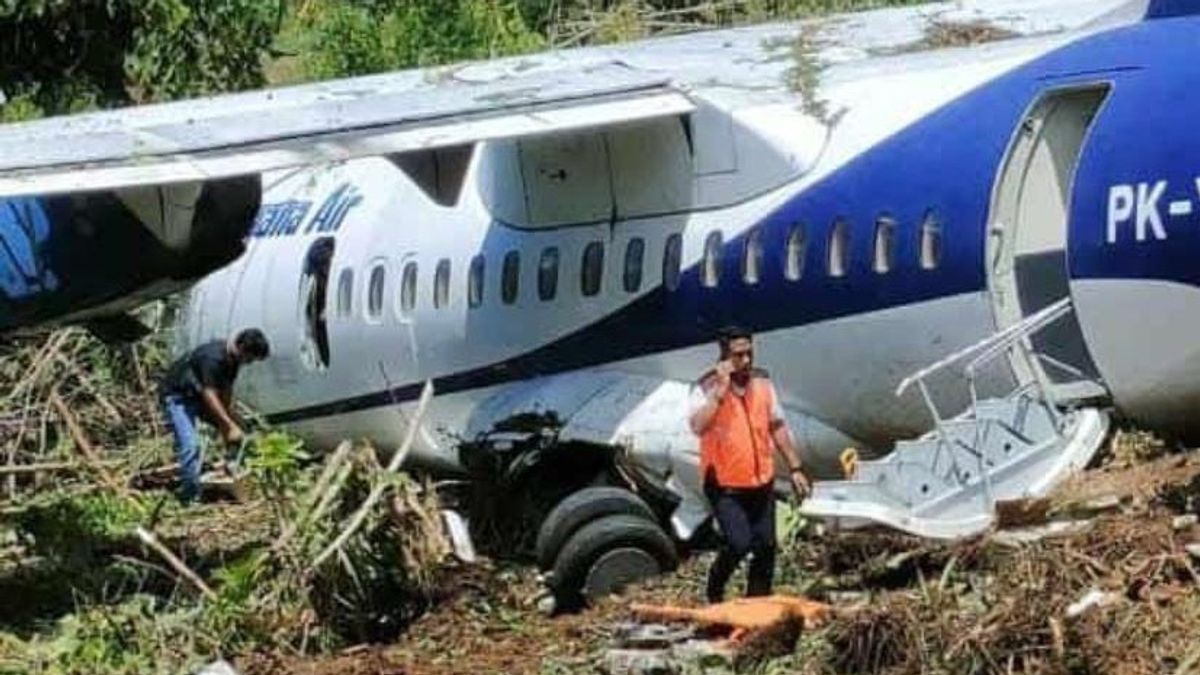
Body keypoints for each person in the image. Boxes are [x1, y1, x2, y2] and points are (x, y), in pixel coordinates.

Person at [689, 326, 810, 603]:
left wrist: (795, 467)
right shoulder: (705, 387)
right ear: (724, 356)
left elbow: (776, 425)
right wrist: (719, 393)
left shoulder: (763, 384)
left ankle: (758, 602)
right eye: (738, 355)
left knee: (767, 545)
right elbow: (698, 426)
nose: (745, 361)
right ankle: (715, 589)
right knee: (739, 543)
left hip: (760, 480)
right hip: (724, 484)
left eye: (749, 354)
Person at [159, 328, 271, 502]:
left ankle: (231, 467)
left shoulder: (234, 361)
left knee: (240, 430)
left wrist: (231, 421)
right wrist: (227, 425)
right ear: (242, 348)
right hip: (179, 398)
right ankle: (190, 497)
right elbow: (210, 395)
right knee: (191, 446)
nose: (249, 363)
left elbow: (225, 391)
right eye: (250, 359)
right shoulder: (212, 358)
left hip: (199, 396)